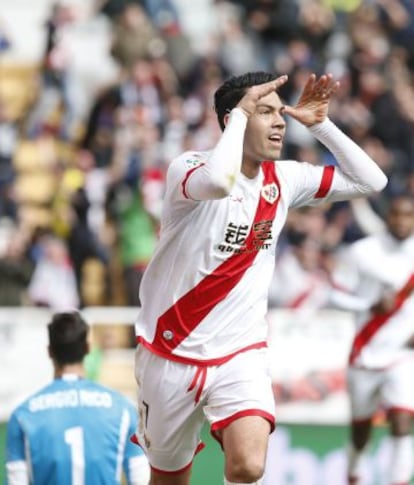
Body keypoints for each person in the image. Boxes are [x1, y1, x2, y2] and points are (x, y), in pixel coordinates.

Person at [132, 70, 388, 485]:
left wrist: (320, 124)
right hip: (169, 354)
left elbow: (371, 180)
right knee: (169, 478)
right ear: (236, 118)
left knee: (248, 466)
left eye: (279, 112)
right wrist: (239, 114)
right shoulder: (189, 169)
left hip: (240, 352)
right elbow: (218, 181)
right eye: (265, 111)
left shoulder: (285, 179)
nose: (280, 121)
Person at [6, 311, 150, 485]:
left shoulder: (23, 416)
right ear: (87, 348)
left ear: (50, 351)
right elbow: (141, 480)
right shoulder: (123, 410)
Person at [330, 194, 414, 485]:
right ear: (387, 217)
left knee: (403, 421)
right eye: (397, 214)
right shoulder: (363, 251)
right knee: (361, 430)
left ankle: (399, 480)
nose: (402, 221)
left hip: (403, 354)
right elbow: (335, 295)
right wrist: (368, 306)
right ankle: (354, 472)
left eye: (408, 215)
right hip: (365, 352)